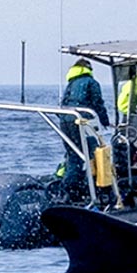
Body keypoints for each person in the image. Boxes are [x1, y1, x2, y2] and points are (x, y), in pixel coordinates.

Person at [57, 59, 110, 200]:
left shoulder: (70, 83)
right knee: (91, 153)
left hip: (65, 120)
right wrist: (105, 121)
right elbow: (98, 103)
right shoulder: (91, 83)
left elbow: (64, 103)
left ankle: (64, 185)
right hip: (81, 120)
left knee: (72, 153)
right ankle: (75, 188)